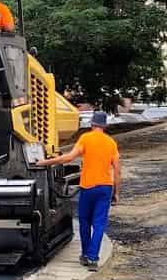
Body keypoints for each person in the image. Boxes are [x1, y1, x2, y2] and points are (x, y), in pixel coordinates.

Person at [36, 111, 121, 270]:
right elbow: (117, 171)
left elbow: (68, 158)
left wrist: (45, 162)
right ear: (105, 126)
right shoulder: (111, 143)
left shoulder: (86, 138)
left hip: (88, 187)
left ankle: (84, 255)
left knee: (84, 222)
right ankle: (94, 259)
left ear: (92, 124)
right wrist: (116, 193)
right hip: (105, 188)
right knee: (99, 224)